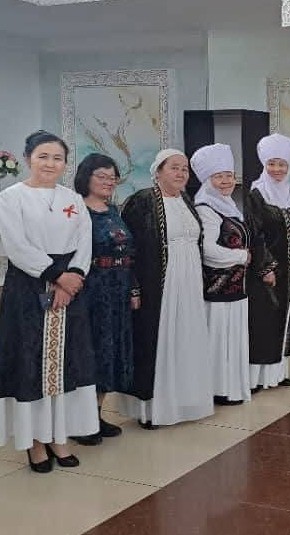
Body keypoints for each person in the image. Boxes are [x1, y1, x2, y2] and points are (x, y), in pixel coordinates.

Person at [0, 130, 95, 472]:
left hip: (70, 290)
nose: (50, 164)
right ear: (28, 159)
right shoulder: (11, 198)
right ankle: (35, 442)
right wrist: (57, 276)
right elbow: (16, 246)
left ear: (65, 163)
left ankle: (59, 435)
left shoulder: (73, 199)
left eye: (57, 158)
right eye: (43, 156)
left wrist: (72, 279)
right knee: (31, 363)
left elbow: (85, 240)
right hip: (28, 287)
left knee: (67, 363)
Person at [118, 149, 213, 428]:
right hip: (159, 283)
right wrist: (134, 286)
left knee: (185, 338)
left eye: (185, 169)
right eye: (174, 167)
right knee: (157, 340)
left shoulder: (186, 200)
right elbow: (128, 249)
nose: (181, 173)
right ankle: (151, 409)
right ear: (158, 172)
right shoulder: (142, 201)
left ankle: (183, 402)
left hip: (189, 280)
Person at [193, 143, 271, 406]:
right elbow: (207, 250)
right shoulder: (206, 208)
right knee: (218, 340)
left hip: (237, 287)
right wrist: (241, 257)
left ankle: (231, 387)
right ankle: (218, 389)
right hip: (218, 289)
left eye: (229, 175)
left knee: (232, 338)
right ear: (208, 180)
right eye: (219, 177)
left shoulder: (227, 205)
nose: (226, 181)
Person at [71, 153, 137, 446]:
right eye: (102, 176)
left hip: (118, 290)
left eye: (113, 177)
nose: (109, 182)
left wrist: (133, 288)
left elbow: (128, 253)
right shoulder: (77, 211)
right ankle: (80, 420)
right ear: (86, 177)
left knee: (112, 352)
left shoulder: (113, 210)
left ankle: (96, 415)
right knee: (92, 352)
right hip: (92, 291)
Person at [246, 133, 290, 391]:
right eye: (272, 164)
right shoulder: (256, 194)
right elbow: (255, 235)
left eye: (282, 164)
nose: (277, 169)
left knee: (283, 319)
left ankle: (277, 374)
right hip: (266, 271)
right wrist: (266, 267)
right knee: (263, 320)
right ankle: (257, 377)